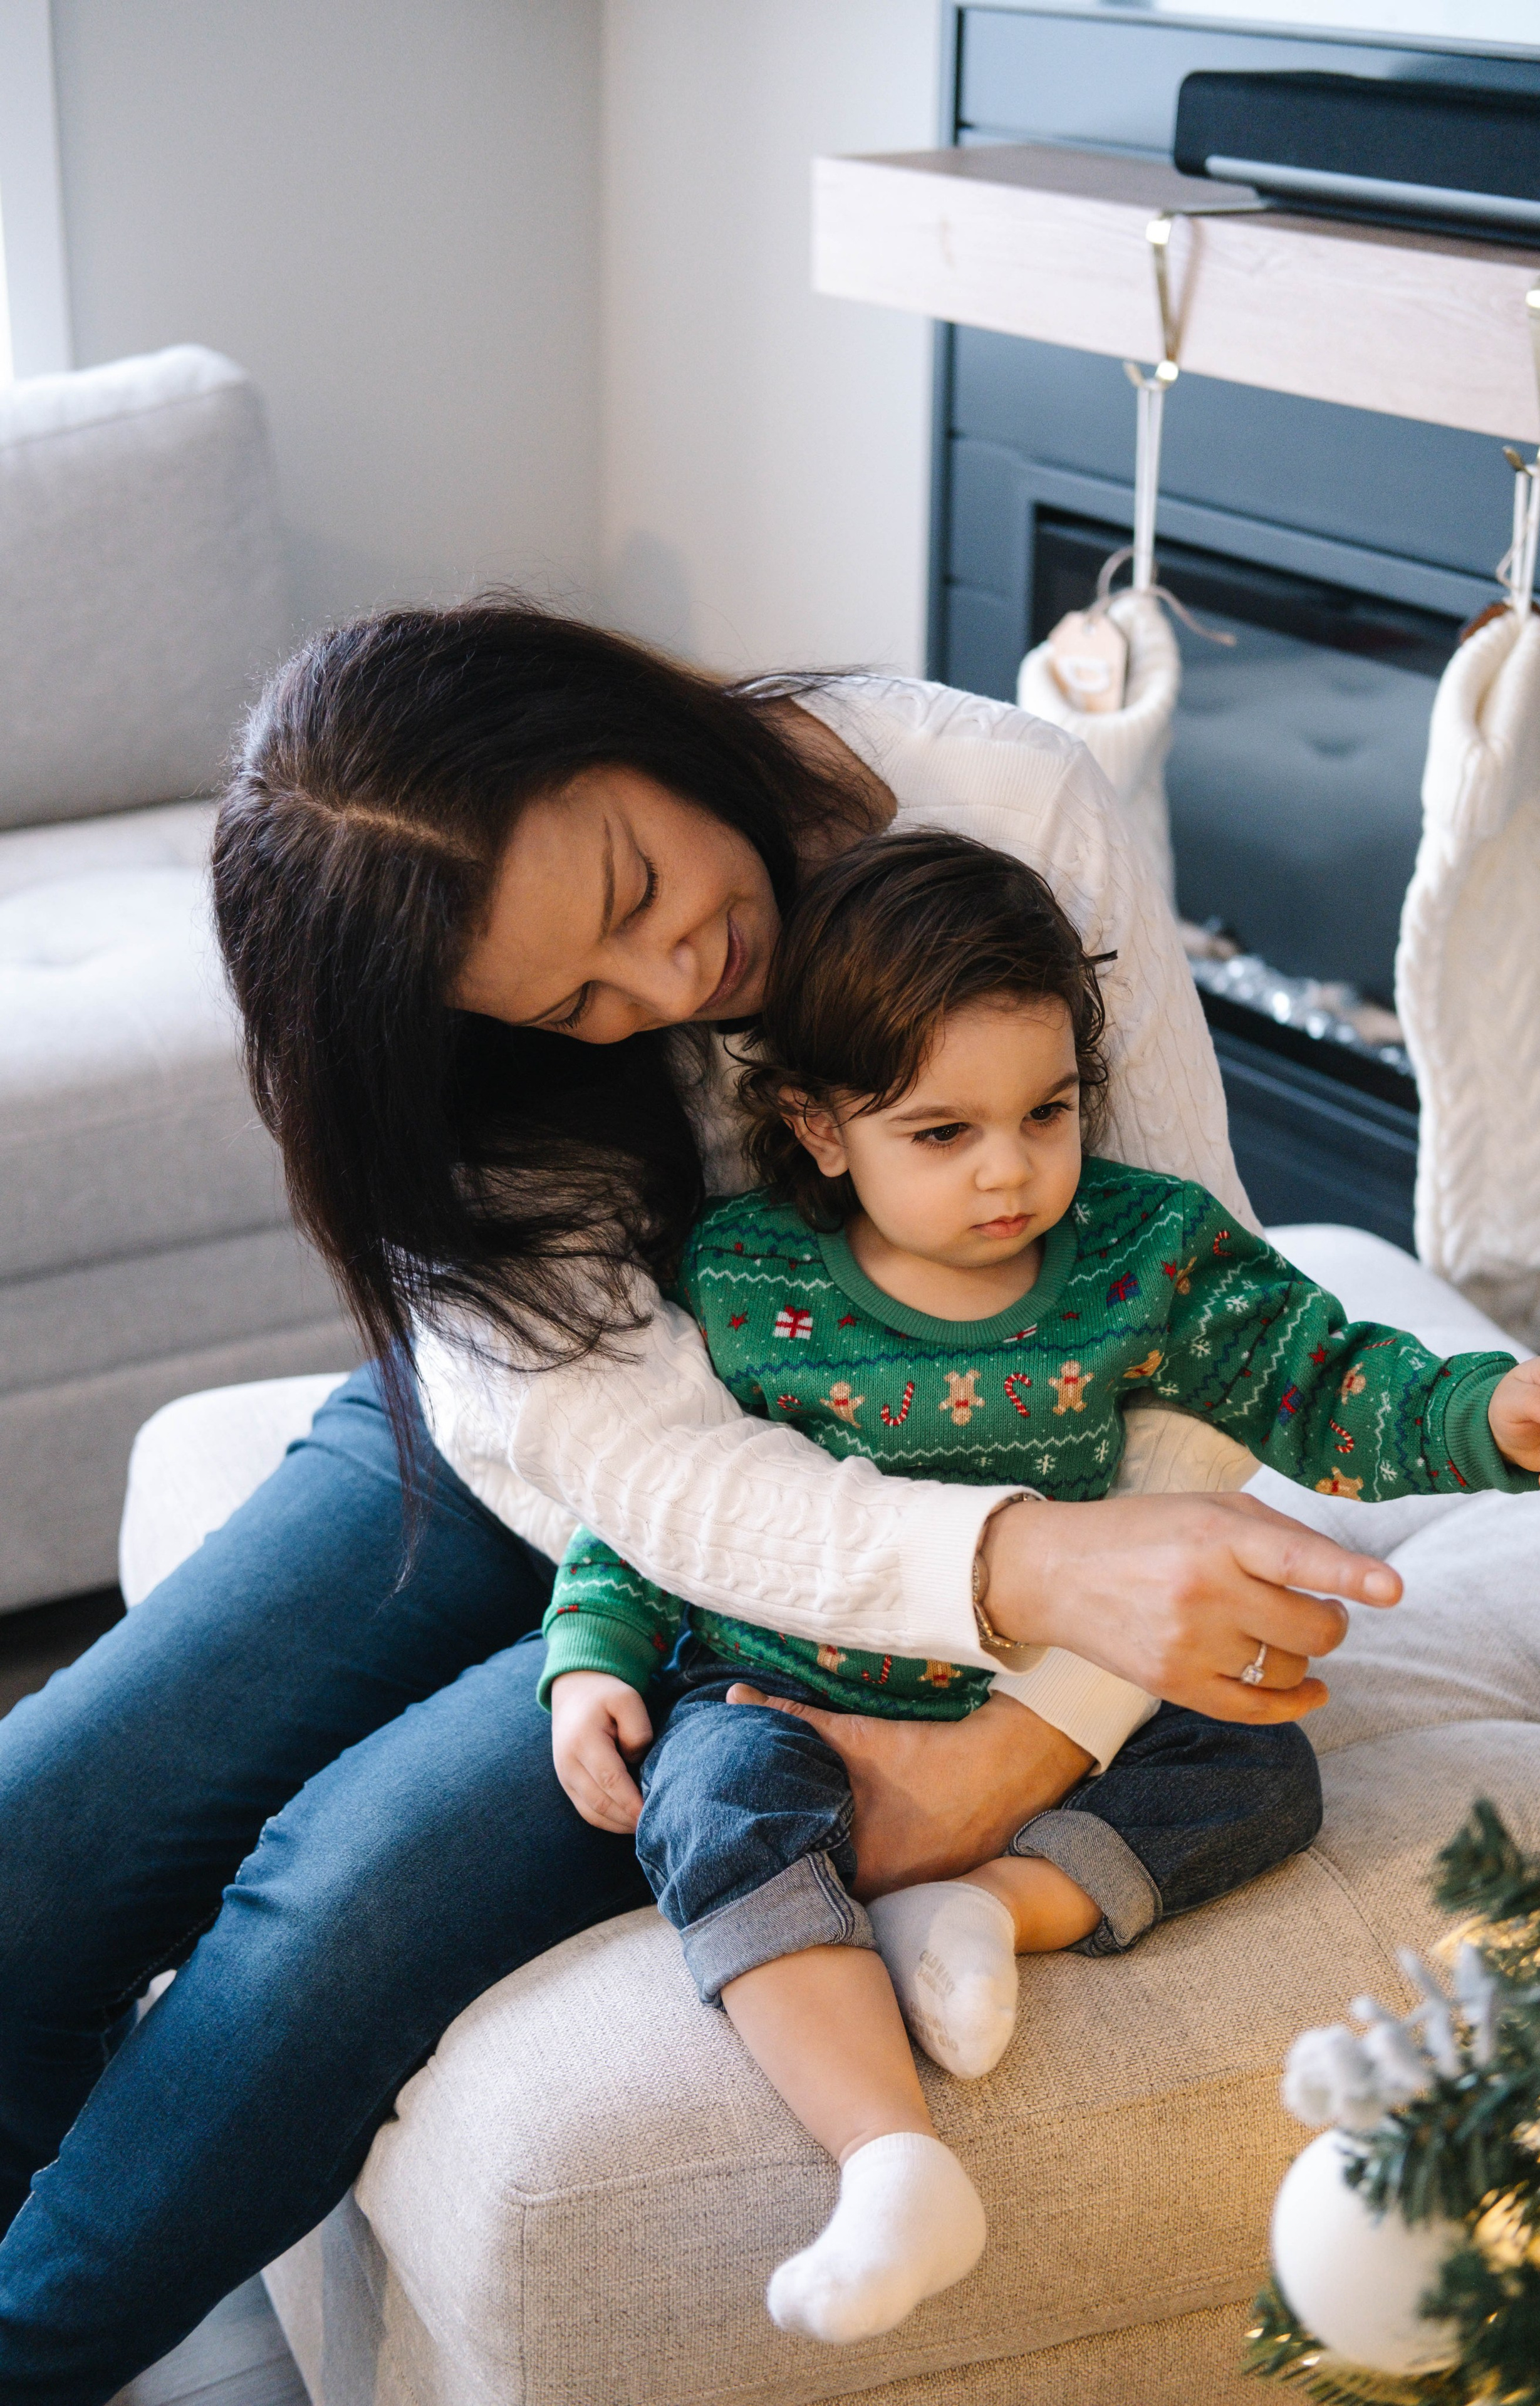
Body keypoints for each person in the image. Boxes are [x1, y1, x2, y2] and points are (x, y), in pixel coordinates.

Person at [0, 602, 1425, 2402]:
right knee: (37, 1839)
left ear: (617, 721)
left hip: (849, 1549)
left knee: (330, 1918)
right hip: (562, 1434)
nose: (670, 988)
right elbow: (639, 1461)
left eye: (631, 898)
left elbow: (1190, 1306)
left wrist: (1033, 1734)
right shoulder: (457, 1058)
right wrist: (1023, 1570)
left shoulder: (998, 807)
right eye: (578, 1005)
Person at [541, 828, 1540, 2345]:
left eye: (1044, 1113)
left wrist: (1492, 1420)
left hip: (1056, 1707)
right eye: (939, 1133)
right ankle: (891, 2163)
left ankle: (990, 1909)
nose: (1010, 1171)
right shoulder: (746, 1278)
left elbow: (1321, 1380)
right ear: (816, 1126)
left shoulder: (1140, 1254)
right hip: (778, 1692)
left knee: (1257, 1765)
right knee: (705, 1810)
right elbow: (653, 1506)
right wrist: (589, 1660)